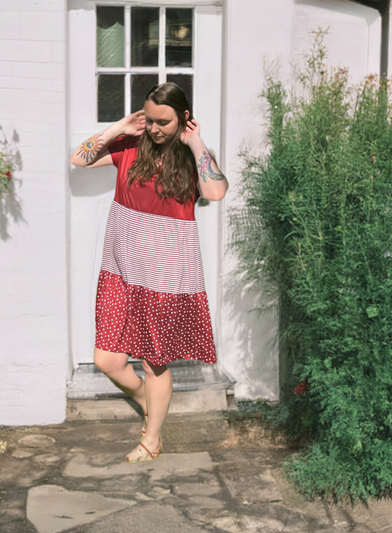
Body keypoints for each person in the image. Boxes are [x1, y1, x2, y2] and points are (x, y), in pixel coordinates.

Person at [70, 83, 228, 463]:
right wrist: (118, 128)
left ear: (183, 119)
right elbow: (80, 158)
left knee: (155, 361)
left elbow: (217, 191)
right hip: (121, 270)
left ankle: (152, 439)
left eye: (164, 121)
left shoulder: (193, 160)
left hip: (165, 277)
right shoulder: (130, 148)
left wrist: (196, 143)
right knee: (108, 360)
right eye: (150, 119)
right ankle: (150, 401)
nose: (155, 128)